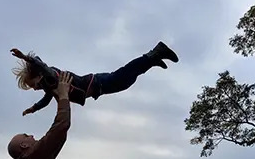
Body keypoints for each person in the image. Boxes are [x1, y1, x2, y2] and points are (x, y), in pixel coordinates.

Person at [10, 42, 178, 116]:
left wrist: (25, 57)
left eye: (34, 84)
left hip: (97, 82)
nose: (36, 88)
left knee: (125, 77)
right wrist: (33, 108)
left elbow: (43, 66)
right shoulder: (49, 86)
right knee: (127, 80)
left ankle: (154, 54)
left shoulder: (51, 76)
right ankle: (153, 59)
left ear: (39, 75)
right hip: (98, 87)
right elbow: (46, 101)